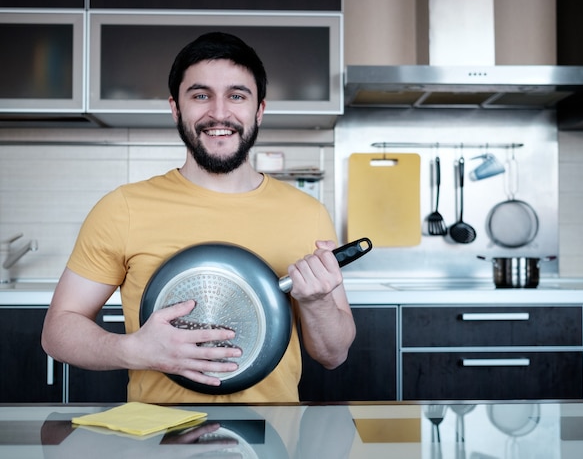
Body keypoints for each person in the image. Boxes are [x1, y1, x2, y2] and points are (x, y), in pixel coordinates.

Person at [41, 32, 356, 403]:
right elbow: (57, 331)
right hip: (157, 438)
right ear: (176, 108)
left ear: (260, 109)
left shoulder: (307, 213)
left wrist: (318, 302)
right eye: (201, 95)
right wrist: (133, 350)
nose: (219, 113)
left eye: (237, 96)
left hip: (274, 435)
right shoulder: (122, 208)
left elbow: (333, 355)